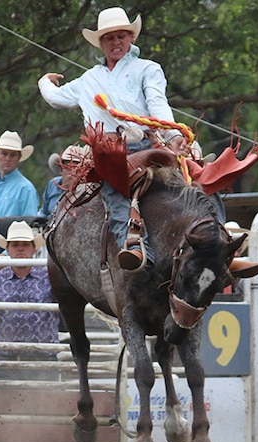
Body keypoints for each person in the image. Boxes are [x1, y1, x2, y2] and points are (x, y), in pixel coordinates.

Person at [38, 7, 185, 270]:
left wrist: (172, 134)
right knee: (115, 191)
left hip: (146, 142)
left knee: (195, 181)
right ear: (101, 43)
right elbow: (57, 99)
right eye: (109, 38)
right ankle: (134, 247)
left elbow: (157, 102)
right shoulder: (88, 79)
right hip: (108, 150)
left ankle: (216, 244)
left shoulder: (147, 69)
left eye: (121, 36)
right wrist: (45, 82)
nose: (116, 42)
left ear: (131, 38)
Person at [0, 221, 60, 379]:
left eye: (25, 244)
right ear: (7, 249)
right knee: (5, 400)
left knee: (44, 400)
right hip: (7, 357)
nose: (20, 248)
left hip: (42, 357)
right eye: (15, 245)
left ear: (33, 248)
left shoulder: (50, 276)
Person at [0, 131, 39, 218]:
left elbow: (29, 224)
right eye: (4, 154)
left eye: (13, 155)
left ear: (19, 158)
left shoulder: (26, 189)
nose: (8, 159)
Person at [39, 144, 84, 219]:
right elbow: (44, 212)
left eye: (78, 169)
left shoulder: (86, 192)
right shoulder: (52, 185)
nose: (73, 173)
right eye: (69, 168)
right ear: (61, 169)